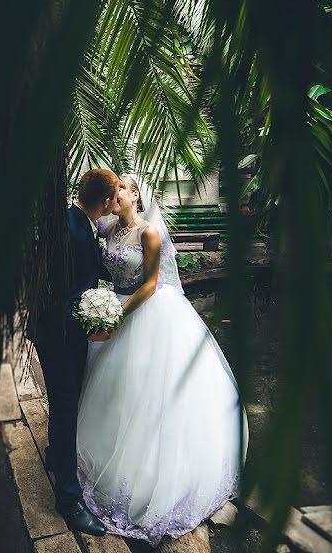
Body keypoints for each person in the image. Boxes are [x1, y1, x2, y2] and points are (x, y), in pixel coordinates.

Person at [75, 174, 249, 545]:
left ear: (135, 195)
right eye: (113, 189)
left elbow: (152, 283)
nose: (115, 193)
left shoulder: (149, 233)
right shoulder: (106, 227)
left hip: (145, 311)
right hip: (114, 306)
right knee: (116, 391)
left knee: (148, 391)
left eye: (122, 187)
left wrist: (118, 316)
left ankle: (153, 474)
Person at [29, 168, 120, 536]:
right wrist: (91, 320)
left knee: (63, 401)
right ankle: (69, 498)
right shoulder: (75, 230)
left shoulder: (73, 219)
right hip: (61, 333)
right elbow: (61, 290)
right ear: (107, 200)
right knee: (67, 407)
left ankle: (55, 454)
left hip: (55, 330)